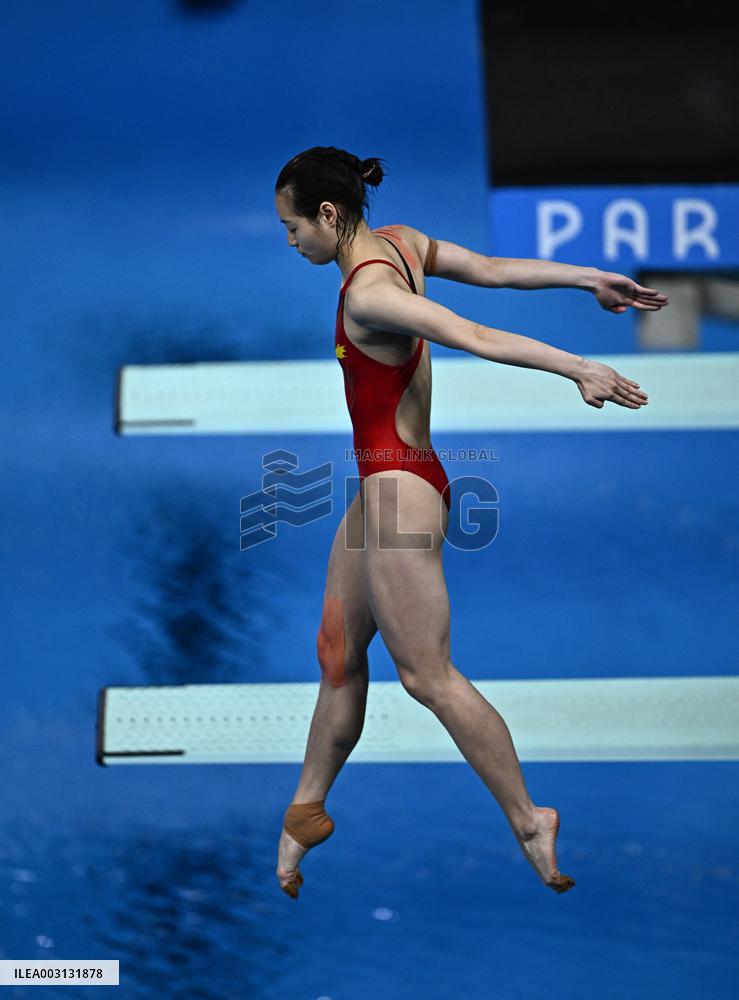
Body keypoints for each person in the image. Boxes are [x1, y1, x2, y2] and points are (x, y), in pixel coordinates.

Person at [272, 146, 668, 900]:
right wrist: (587, 277)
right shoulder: (402, 241)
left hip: (399, 490)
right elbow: (489, 268)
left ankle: (528, 816)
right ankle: (305, 811)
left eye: (292, 227)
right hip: (377, 485)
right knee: (336, 652)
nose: (289, 241)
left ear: (327, 214)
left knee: (428, 677)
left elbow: (476, 333)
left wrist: (579, 366)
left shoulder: (370, 296)